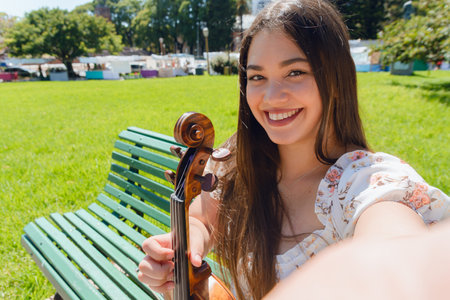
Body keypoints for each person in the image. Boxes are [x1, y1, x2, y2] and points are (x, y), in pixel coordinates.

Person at [137, 0, 450, 299]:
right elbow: (202, 218)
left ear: (337, 81)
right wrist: (187, 248)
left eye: (295, 72)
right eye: (257, 76)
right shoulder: (238, 158)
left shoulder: (365, 183)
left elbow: (399, 254)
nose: (272, 97)